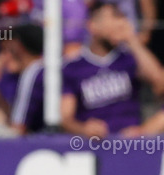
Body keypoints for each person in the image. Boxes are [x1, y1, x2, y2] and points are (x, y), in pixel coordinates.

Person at [61, 1, 164, 138]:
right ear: (93, 26)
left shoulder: (129, 58)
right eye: (113, 18)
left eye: (120, 18)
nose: (118, 24)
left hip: (130, 140)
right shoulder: (73, 67)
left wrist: (131, 39)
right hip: (94, 143)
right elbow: (65, 118)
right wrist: (83, 129)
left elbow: (159, 82)